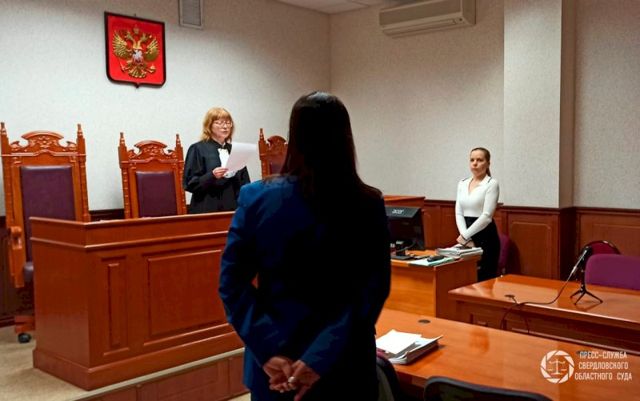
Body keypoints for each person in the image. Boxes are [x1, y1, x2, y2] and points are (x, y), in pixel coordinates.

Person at [219, 91, 391, 401]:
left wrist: (269, 348)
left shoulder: (256, 198)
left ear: (294, 136)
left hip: (276, 368)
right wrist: (319, 356)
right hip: (344, 362)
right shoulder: (367, 203)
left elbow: (232, 283)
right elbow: (371, 290)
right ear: (345, 138)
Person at [183, 107, 250, 213]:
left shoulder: (235, 150)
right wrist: (212, 175)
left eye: (228, 123)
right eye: (219, 123)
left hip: (234, 208)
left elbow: (245, 182)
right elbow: (189, 184)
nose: (225, 127)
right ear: (209, 126)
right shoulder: (197, 149)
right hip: (207, 208)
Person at [455, 147, 500, 282]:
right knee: (465, 279)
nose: (475, 163)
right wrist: (465, 238)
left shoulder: (491, 183)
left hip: (485, 235)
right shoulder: (462, 183)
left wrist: (465, 236)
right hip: (466, 235)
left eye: (479, 160)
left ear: (488, 163)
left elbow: (486, 216)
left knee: (484, 280)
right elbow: (459, 212)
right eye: (472, 160)